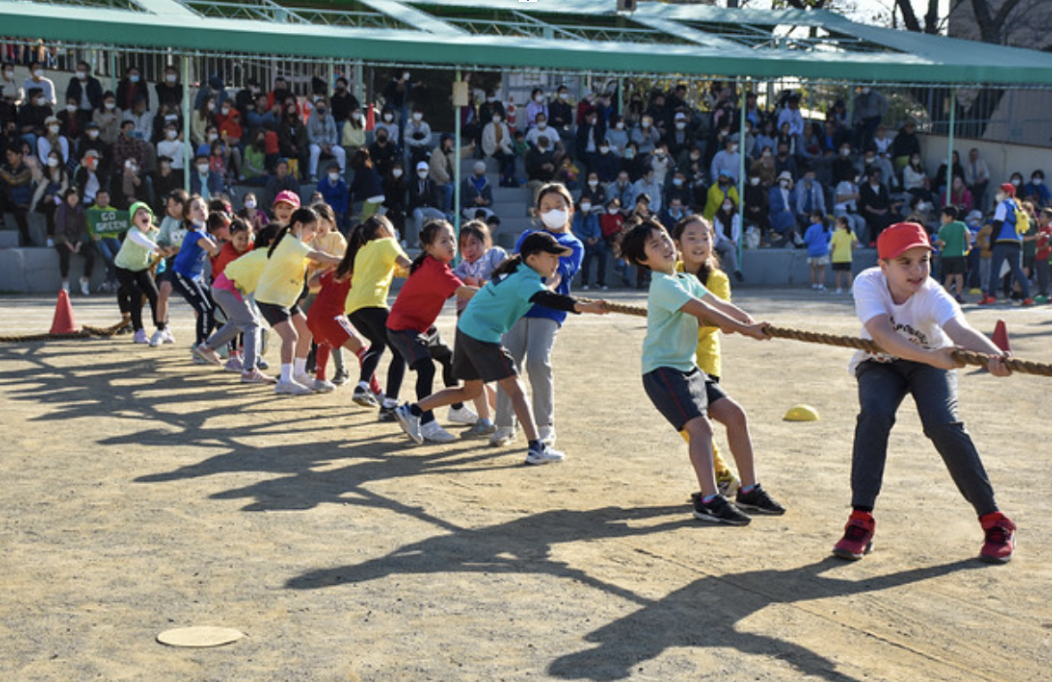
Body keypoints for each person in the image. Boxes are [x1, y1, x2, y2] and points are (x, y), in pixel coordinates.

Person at [832, 221, 1016, 564]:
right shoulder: (868, 282)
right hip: (881, 362)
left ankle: (995, 521)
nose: (918, 271)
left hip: (930, 365)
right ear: (883, 265)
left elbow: (959, 330)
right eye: (906, 263)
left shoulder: (933, 294)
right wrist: (931, 355)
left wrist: (995, 356)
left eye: (924, 261)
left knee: (943, 424)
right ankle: (860, 519)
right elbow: (883, 336)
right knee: (874, 413)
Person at [392, 231, 607, 465]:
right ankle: (536, 447)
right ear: (533, 259)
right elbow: (550, 299)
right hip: (481, 334)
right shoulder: (527, 280)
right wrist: (587, 307)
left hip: (467, 328)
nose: (557, 262)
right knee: (516, 390)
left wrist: (584, 305)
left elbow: (546, 296)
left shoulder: (518, 271)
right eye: (552, 256)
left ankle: (412, 411)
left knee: (471, 392)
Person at [619, 218, 783, 524]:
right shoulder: (664, 285)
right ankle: (708, 499)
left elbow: (719, 304)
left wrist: (752, 321)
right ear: (643, 259)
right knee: (701, 430)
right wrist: (747, 331)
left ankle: (748, 490)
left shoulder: (685, 280)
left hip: (688, 367)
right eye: (655, 245)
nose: (667, 246)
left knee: (735, 415)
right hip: (663, 372)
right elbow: (707, 313)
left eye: (666, 238)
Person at [491, 184, 583, 450]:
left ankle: (545, 426)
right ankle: (505, 425)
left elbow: (559, 273)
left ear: (570, 209)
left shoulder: (572, 244)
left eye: (559, 206)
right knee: (507, 363)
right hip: (517, 309)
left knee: (538, 362)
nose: (552, 211)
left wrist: (544, 291)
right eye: (546, 207)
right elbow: (517, 265)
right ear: (538, 211)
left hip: (548, 310)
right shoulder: (529, 236)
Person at [385, 220, 479, 444]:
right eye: (443, 241)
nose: (451, 245)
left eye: (452, 240)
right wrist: (499, 293)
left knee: (449, 360)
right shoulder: (435, 269)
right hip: (403, 328)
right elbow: (464, 292)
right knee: (426, 368)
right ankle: (425, 422)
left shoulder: (438, 266)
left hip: (422, 327)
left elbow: (461, 285)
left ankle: (456, 408)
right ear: (429, 247)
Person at [672, 215, 745, 495]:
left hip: (703, 360)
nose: (699, 243)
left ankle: (721, 477)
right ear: (677, 244)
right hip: (674, 359)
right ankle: (720, 478)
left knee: (697, 425)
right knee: (690, 425)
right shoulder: (671, 272)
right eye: (691, 238)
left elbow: (721, 317)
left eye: (705, 237)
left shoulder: (717, 278)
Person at [253, 206, 343, 395]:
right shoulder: (291, 242)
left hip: (286, 299)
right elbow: (318, 257)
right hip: (271, 298)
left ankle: (299, 373)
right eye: (312, 230)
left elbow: (315, 262)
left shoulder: (296, 243)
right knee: (291, 336)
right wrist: (341, 260)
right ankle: (285, 380)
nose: (313, 235)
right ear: (298, 225)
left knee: (306, 332)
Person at [343, 214, 413, 416]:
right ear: (383, 229)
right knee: (399, 350)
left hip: (354, 307)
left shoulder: (362, 251)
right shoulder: (387, 243)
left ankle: (362, 386)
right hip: (373, 304)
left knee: (378, 343)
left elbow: (399, 271)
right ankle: (389, 405)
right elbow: (406, 265)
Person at [453, 220, 507, 438]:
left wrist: (479, 281)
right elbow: (451, 280)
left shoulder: (495, 255)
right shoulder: (461, 268)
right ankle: (497, 417)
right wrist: (469, 279)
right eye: (463, 245)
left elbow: (506, 275)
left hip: (486, 322)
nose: (468, 249)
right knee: (477, 377)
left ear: (486, 241)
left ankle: (499, 418)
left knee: (487, 374)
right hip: (466, 324)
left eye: (473, 243)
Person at [170, 195, 222, 350]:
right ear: (188, 215)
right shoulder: (195, 232)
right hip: (182, 276)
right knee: (204, 309)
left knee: (214, 306)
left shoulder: (205, 233)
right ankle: (201, 347)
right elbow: (213, 249)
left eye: (203, 207)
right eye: (196, 208)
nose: (201, 210)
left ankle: (205, 343)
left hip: (196, 278)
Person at [113, 201, 165, 344]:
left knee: (155, 295)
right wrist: (157, 249)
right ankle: (138, 331)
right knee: (135, 293)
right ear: (133, 220)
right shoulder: (132, 232)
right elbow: (144, 242)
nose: (144, 215)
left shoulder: (155, 232)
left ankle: (161, 328)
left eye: (146, 212)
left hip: (141, 267)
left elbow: (164, 241)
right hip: (123, 268)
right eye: (139, 213)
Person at [980, 183, 1034, 306]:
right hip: (1016, 242)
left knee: (995, 269)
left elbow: (997, 225)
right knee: (1017, 271)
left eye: (1000, 191)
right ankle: (1027, 297)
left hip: (1002, 242)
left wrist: (992, 243)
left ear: (1008, 193)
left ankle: (991, 295)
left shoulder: (1002, 206)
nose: (998, 194)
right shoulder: (1017, 207)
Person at [53, 187, 95, 295]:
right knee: (64, 255)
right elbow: (59, 229)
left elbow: (83, 229)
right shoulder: (61, 209)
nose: (73, 197)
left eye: (75, 195)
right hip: (62, 239)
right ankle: (65, 283)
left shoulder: (81, 210)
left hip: (77, 239)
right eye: (71, 195)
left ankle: (85, 280)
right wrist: (68, 244)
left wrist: (79, 243)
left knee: (91, 254)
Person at [936, 205, 970, 303]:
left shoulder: (943, 229)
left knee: (948, 276)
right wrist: (968, 245)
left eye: (943, 215)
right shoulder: (961, 225)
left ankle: (946, 296)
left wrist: (939, 245)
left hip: (946, 255)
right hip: (959, 254)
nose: (942, 218)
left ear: (949, 217)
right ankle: (958, 295)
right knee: (959, 276)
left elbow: (941, 243)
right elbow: (967, 234)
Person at [572, 198, 605, 290]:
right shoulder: (575, 216)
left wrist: (596, 237)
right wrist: (586, 239)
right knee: (587, 254)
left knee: (603, 253)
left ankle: (600, 281)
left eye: (588, 202)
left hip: (593, 240)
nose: (586, 204)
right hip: (582, 241)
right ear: (579, 204)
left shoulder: (593, 216)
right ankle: (584, 282)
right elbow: (575, 231)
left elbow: (597, 229)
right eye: (584, 202)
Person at [712, 196, 742, 281]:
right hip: (721, 241)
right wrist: (728, 240)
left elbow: (737, 230)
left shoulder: (736, 216)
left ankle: (723, 276)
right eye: (725, 203)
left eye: (728, 203)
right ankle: (736, 270)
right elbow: (718, 232)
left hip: (732, 241)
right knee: (731, 248)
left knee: (727, 254)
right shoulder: (718, 216)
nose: (726, 205)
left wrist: (734, 240)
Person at [803, 210, 831, 291]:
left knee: (813, 269)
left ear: (817, 217)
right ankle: (821, 285)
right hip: (823, 251)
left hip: (812, 251)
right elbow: (830, 238)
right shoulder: (826, 228)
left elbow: (806, 240)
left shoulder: (810, 228)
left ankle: (814, 284)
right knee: (822, 269)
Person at [830, 215, 858, 295]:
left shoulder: (836, 234)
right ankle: (851, 288)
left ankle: (839, 289)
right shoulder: (850, 233)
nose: (836, 225)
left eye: (837, 223)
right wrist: (852, 249)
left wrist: (832, 252)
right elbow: (855, 241)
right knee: (848, 273)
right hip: (847, 256)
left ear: (843, 225)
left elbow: (833, 245)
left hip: (837, 256)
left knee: (838, 273)